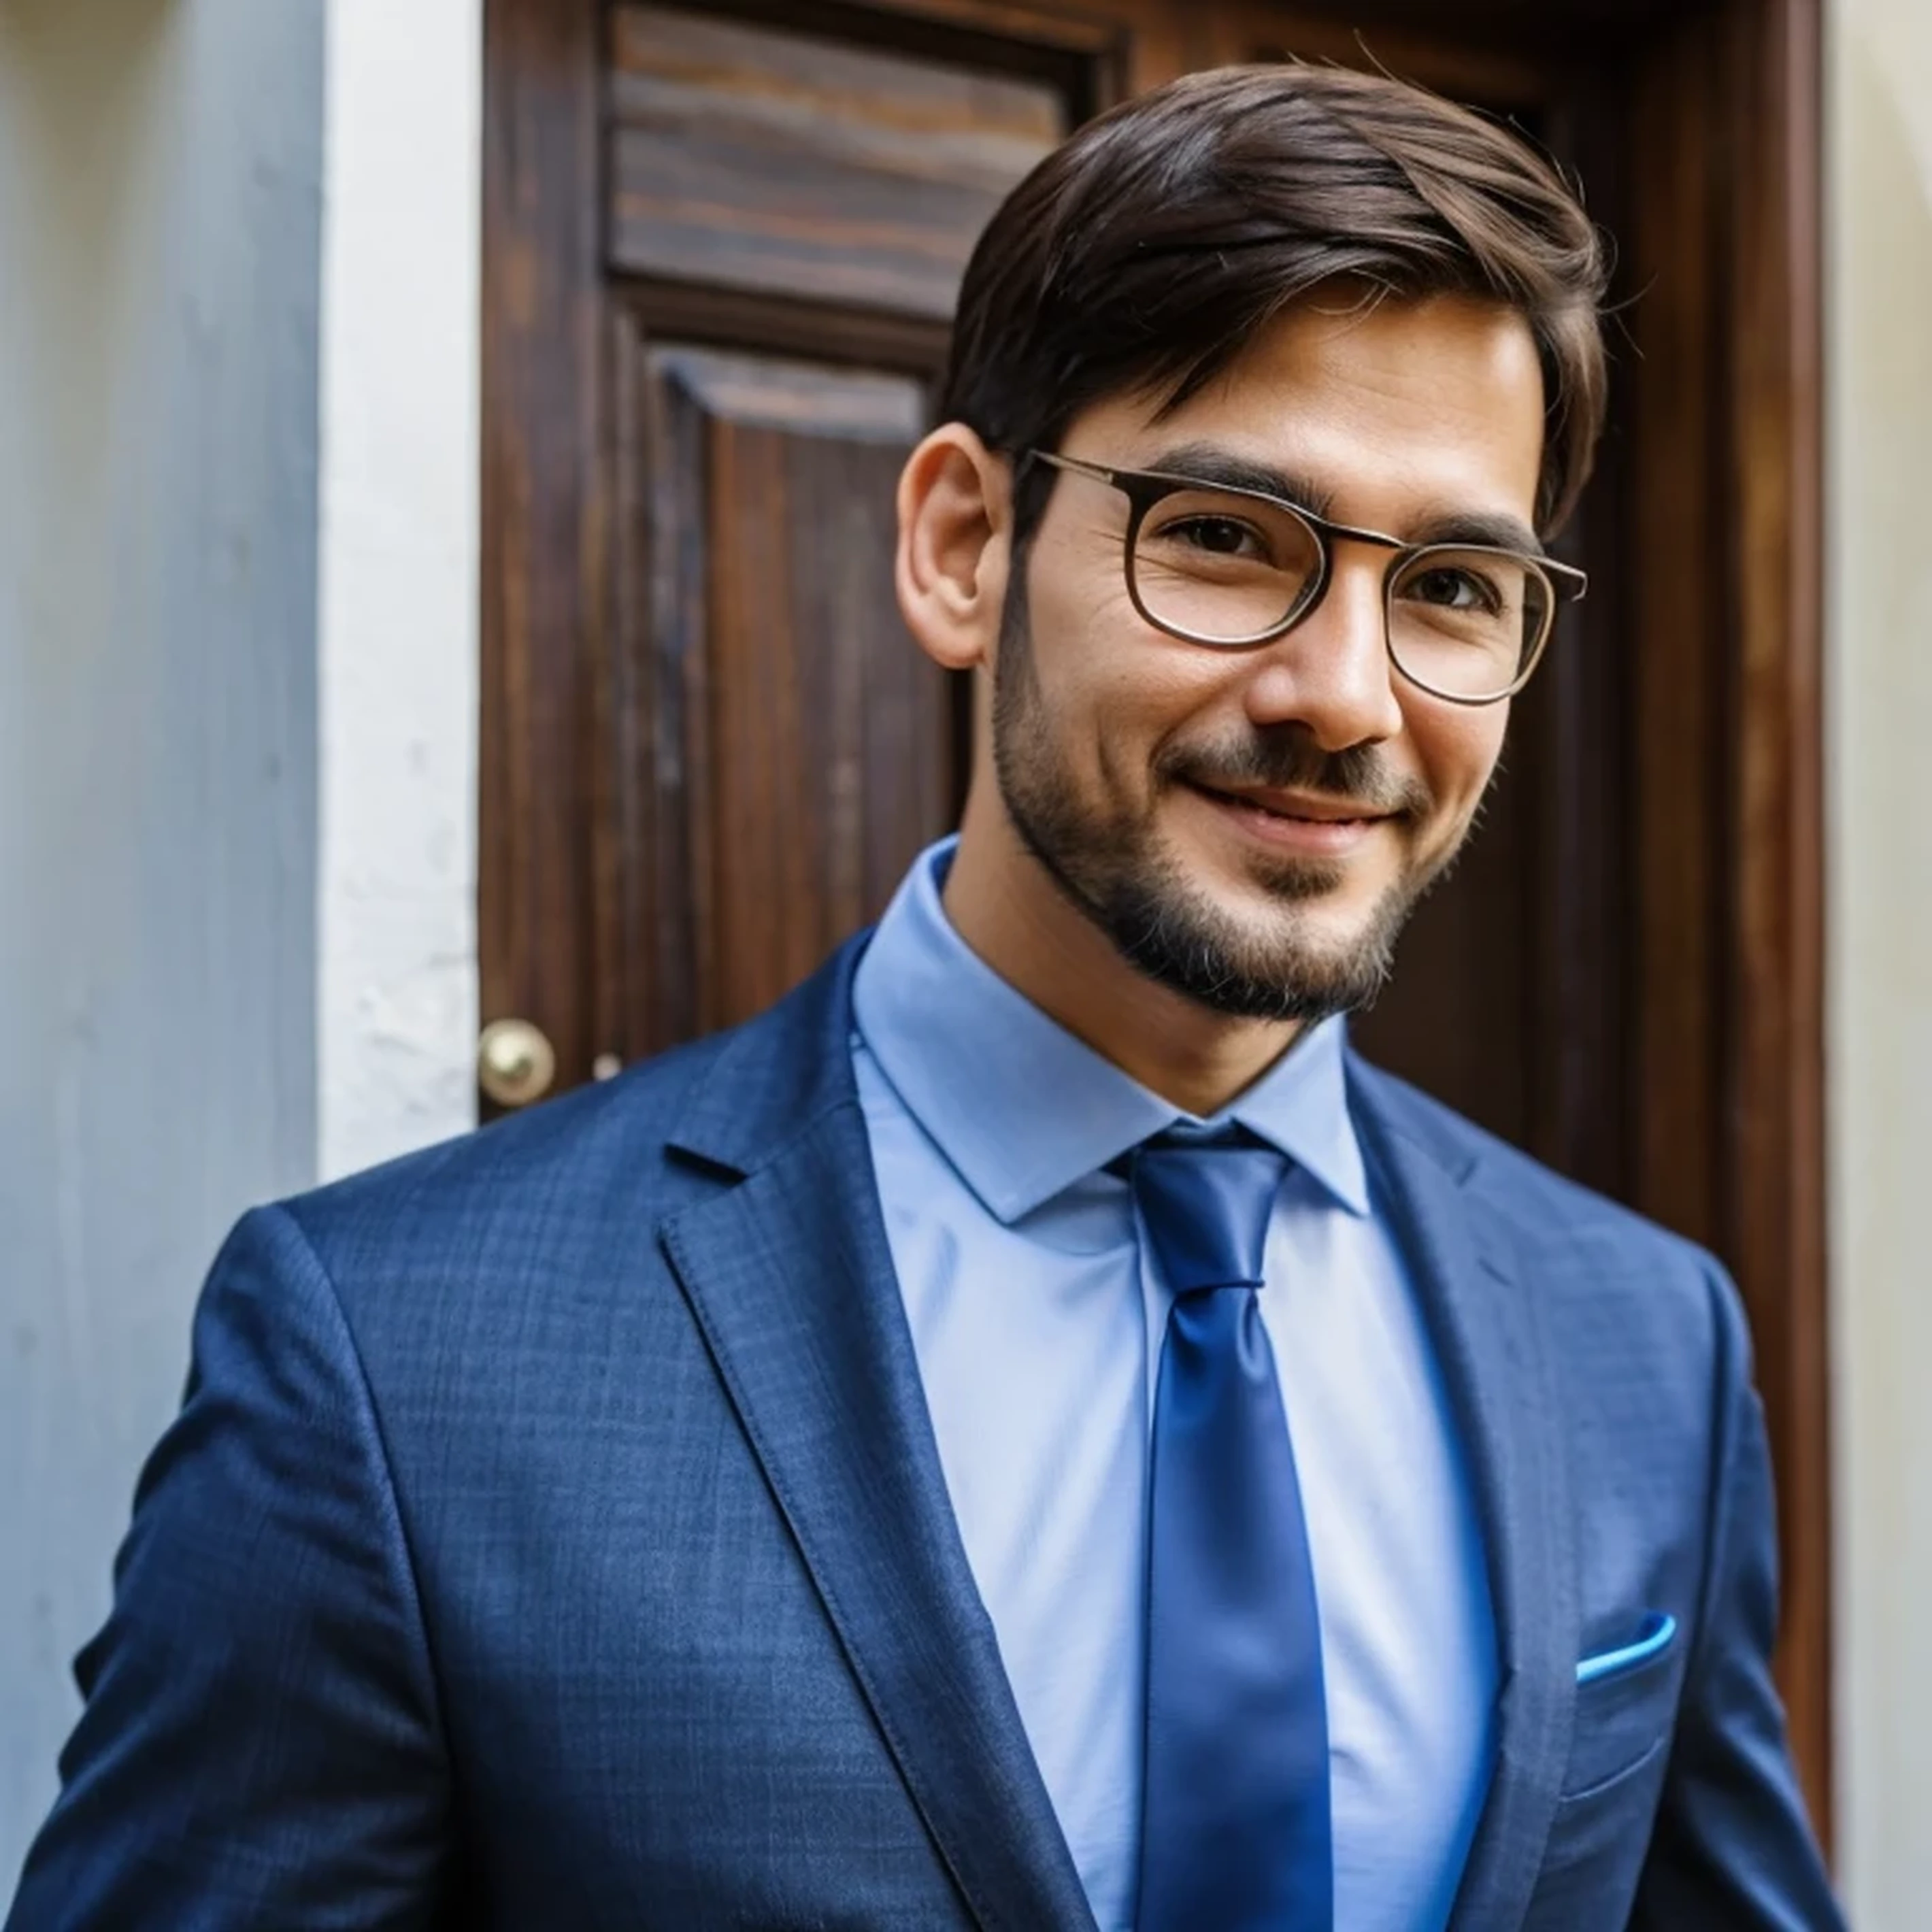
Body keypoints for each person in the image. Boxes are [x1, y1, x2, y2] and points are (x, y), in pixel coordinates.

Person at [7, 63, 1840, 1932]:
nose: (1349, 699)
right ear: (965, 544)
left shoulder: (1646, 1342)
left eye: (1452, 585)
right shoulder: (390, 1362)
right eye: (1221, 536)